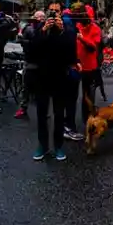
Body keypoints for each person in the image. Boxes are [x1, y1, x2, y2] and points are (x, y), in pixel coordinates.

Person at [27, 12, 77, 161]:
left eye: (57, 16)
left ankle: (58, 146)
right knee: (41, 113)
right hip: (41, 77)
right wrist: (43, 31)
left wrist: (63, 32)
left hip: (60, 78)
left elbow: (71, 55)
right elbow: (31, 51)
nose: (53, 20)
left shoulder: (67, 31)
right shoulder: (40, 30)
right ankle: (42, 145)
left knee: (59, 114)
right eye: (51, 16)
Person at [73, 5, 104, 125]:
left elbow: (93, 48)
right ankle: (70, 121)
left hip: (90, 67)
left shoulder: (95, 28)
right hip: (75, 65)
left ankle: (88, 120)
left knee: (88, 96)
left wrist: (82, 38)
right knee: (72, 94)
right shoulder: (76, 26)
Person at [14, 11, 46, 120]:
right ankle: (23, 108)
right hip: (30, 61)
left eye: (43, 18)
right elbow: (24, 43)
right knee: (25, 87)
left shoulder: (45, 30)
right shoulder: (28, 29)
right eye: (39, 17)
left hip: (41, 63)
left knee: (42, 88)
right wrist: (22, 40)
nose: (41, 19)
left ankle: (43, 111)